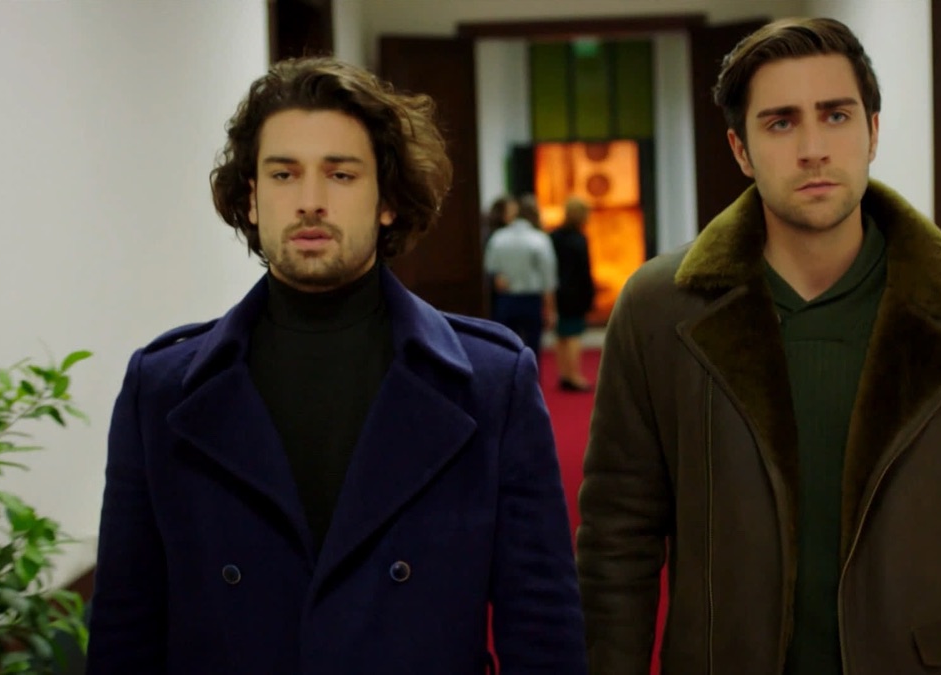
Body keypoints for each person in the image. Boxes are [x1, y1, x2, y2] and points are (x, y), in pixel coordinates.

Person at [577, 17, 941, 675]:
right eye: (781, 123)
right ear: (740, 149)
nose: (813, 148)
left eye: (836, 115)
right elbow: (617, 544)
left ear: (872, 132)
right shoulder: (659, 309)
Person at [86, 57, 586, 675]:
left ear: (387, 200)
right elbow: (125, 624)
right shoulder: (163, 387)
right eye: (284, 174)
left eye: (341, 175)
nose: (310, 202)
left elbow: (540, 621)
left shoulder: (488, 382)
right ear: (252, 198)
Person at [483, 193, 558, 360]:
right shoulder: (539, 239)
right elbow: (548, 278)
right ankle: (531, 376)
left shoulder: (498, 237)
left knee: (506, 347)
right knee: (532, 347)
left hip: (506, 300)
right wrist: (551, 309)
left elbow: (491, 269)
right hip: (531, 299)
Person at [549, 197, 596, 392]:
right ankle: (574, 376)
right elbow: (584, 271)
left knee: (561, 334)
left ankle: (564, 373)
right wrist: (590, 294)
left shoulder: (553, 236)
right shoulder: (579, 239)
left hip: (556, 290)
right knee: (574, 334)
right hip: (575, 293)